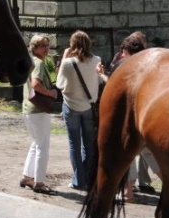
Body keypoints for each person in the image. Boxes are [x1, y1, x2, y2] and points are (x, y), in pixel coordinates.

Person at [108, 32, 157, 200]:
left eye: (124, 52)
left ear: (128, 51)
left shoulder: (127, 68)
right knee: (151, 154)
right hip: (148, 116)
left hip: (131, 117)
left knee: (128, 152)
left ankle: (128, 191)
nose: (122, 55)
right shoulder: (151, 65)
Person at [56, 30, 106, 191]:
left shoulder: (68, 63)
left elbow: (59, 83)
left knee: (74, 145)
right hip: (89, 107)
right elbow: (99, 80)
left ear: (72, 45)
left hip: (71, 106)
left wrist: (64, 57)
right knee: (89, 145)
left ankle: (78, 179)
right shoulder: (97, 60)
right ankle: (86, 176)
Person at [20, 34, 58, 195]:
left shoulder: (31, 62)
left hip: (28, 109)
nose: (47, 49)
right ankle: (39, 182)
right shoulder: (39, 63)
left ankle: (27, 176)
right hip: (38, 110)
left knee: (36, 143)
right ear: (35, 48)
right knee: (43, 146)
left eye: (48, 45)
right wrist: (51, 93)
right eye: (43, 45)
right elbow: (36, 84)